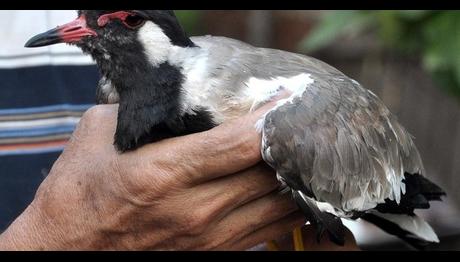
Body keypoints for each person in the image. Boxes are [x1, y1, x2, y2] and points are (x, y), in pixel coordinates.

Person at [0, 10, 358, 250]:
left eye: (125, 20)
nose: (77, 26)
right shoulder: (114, 88)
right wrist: (57, 238)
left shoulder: (237, 88)